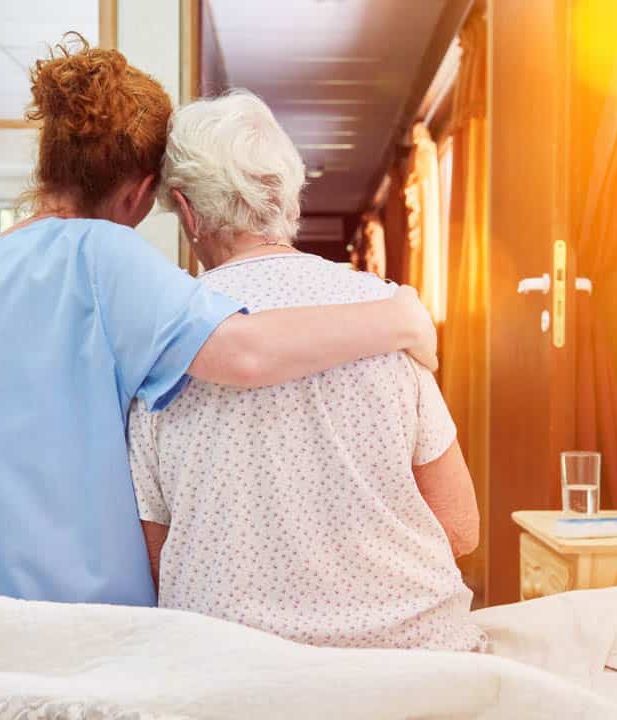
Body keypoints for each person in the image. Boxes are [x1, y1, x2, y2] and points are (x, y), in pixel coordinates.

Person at [0, 37, 437, 608]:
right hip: (65, 620)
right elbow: (247, 354)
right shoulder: (99, 253)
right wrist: (400, 316)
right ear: (140, 192)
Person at [128, 91, 485, 651]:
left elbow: (154, 557)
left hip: (234, 673)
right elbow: (460, 527)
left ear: (188, 212)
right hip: (416, 664)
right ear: (288, 197)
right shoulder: (387, 315)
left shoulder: (163, 341)